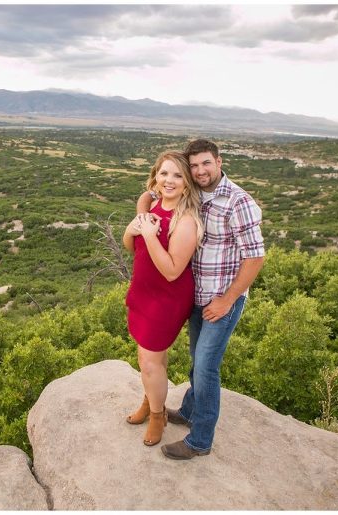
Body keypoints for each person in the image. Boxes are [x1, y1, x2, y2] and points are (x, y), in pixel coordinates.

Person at [135, 138, 264, 459]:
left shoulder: (239, 202)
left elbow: (255, 258)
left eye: (206, 163)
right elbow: (151, 192)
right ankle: (190, 411)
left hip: (222, 299)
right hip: (195, 295)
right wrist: (143, 214)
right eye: (193, 166)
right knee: (196, 361)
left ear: (219, 162)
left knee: (206, 367)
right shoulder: (195, 193)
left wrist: (229, 299)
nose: (200, 170)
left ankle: (200, 440)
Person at [123, 150, 203, 446]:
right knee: (148, 357)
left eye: (178, 175)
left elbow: (171, 271)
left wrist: (150, 234)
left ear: (187, 183)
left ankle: (158, 416)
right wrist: (131, 230)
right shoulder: (154, 205)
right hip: (143, 291)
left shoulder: (186, 221)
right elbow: (134, 248)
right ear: (155, 176)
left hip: (166, 298)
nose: (169, 180)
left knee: (149, 361)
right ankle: (150, 400)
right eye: (164, 173)